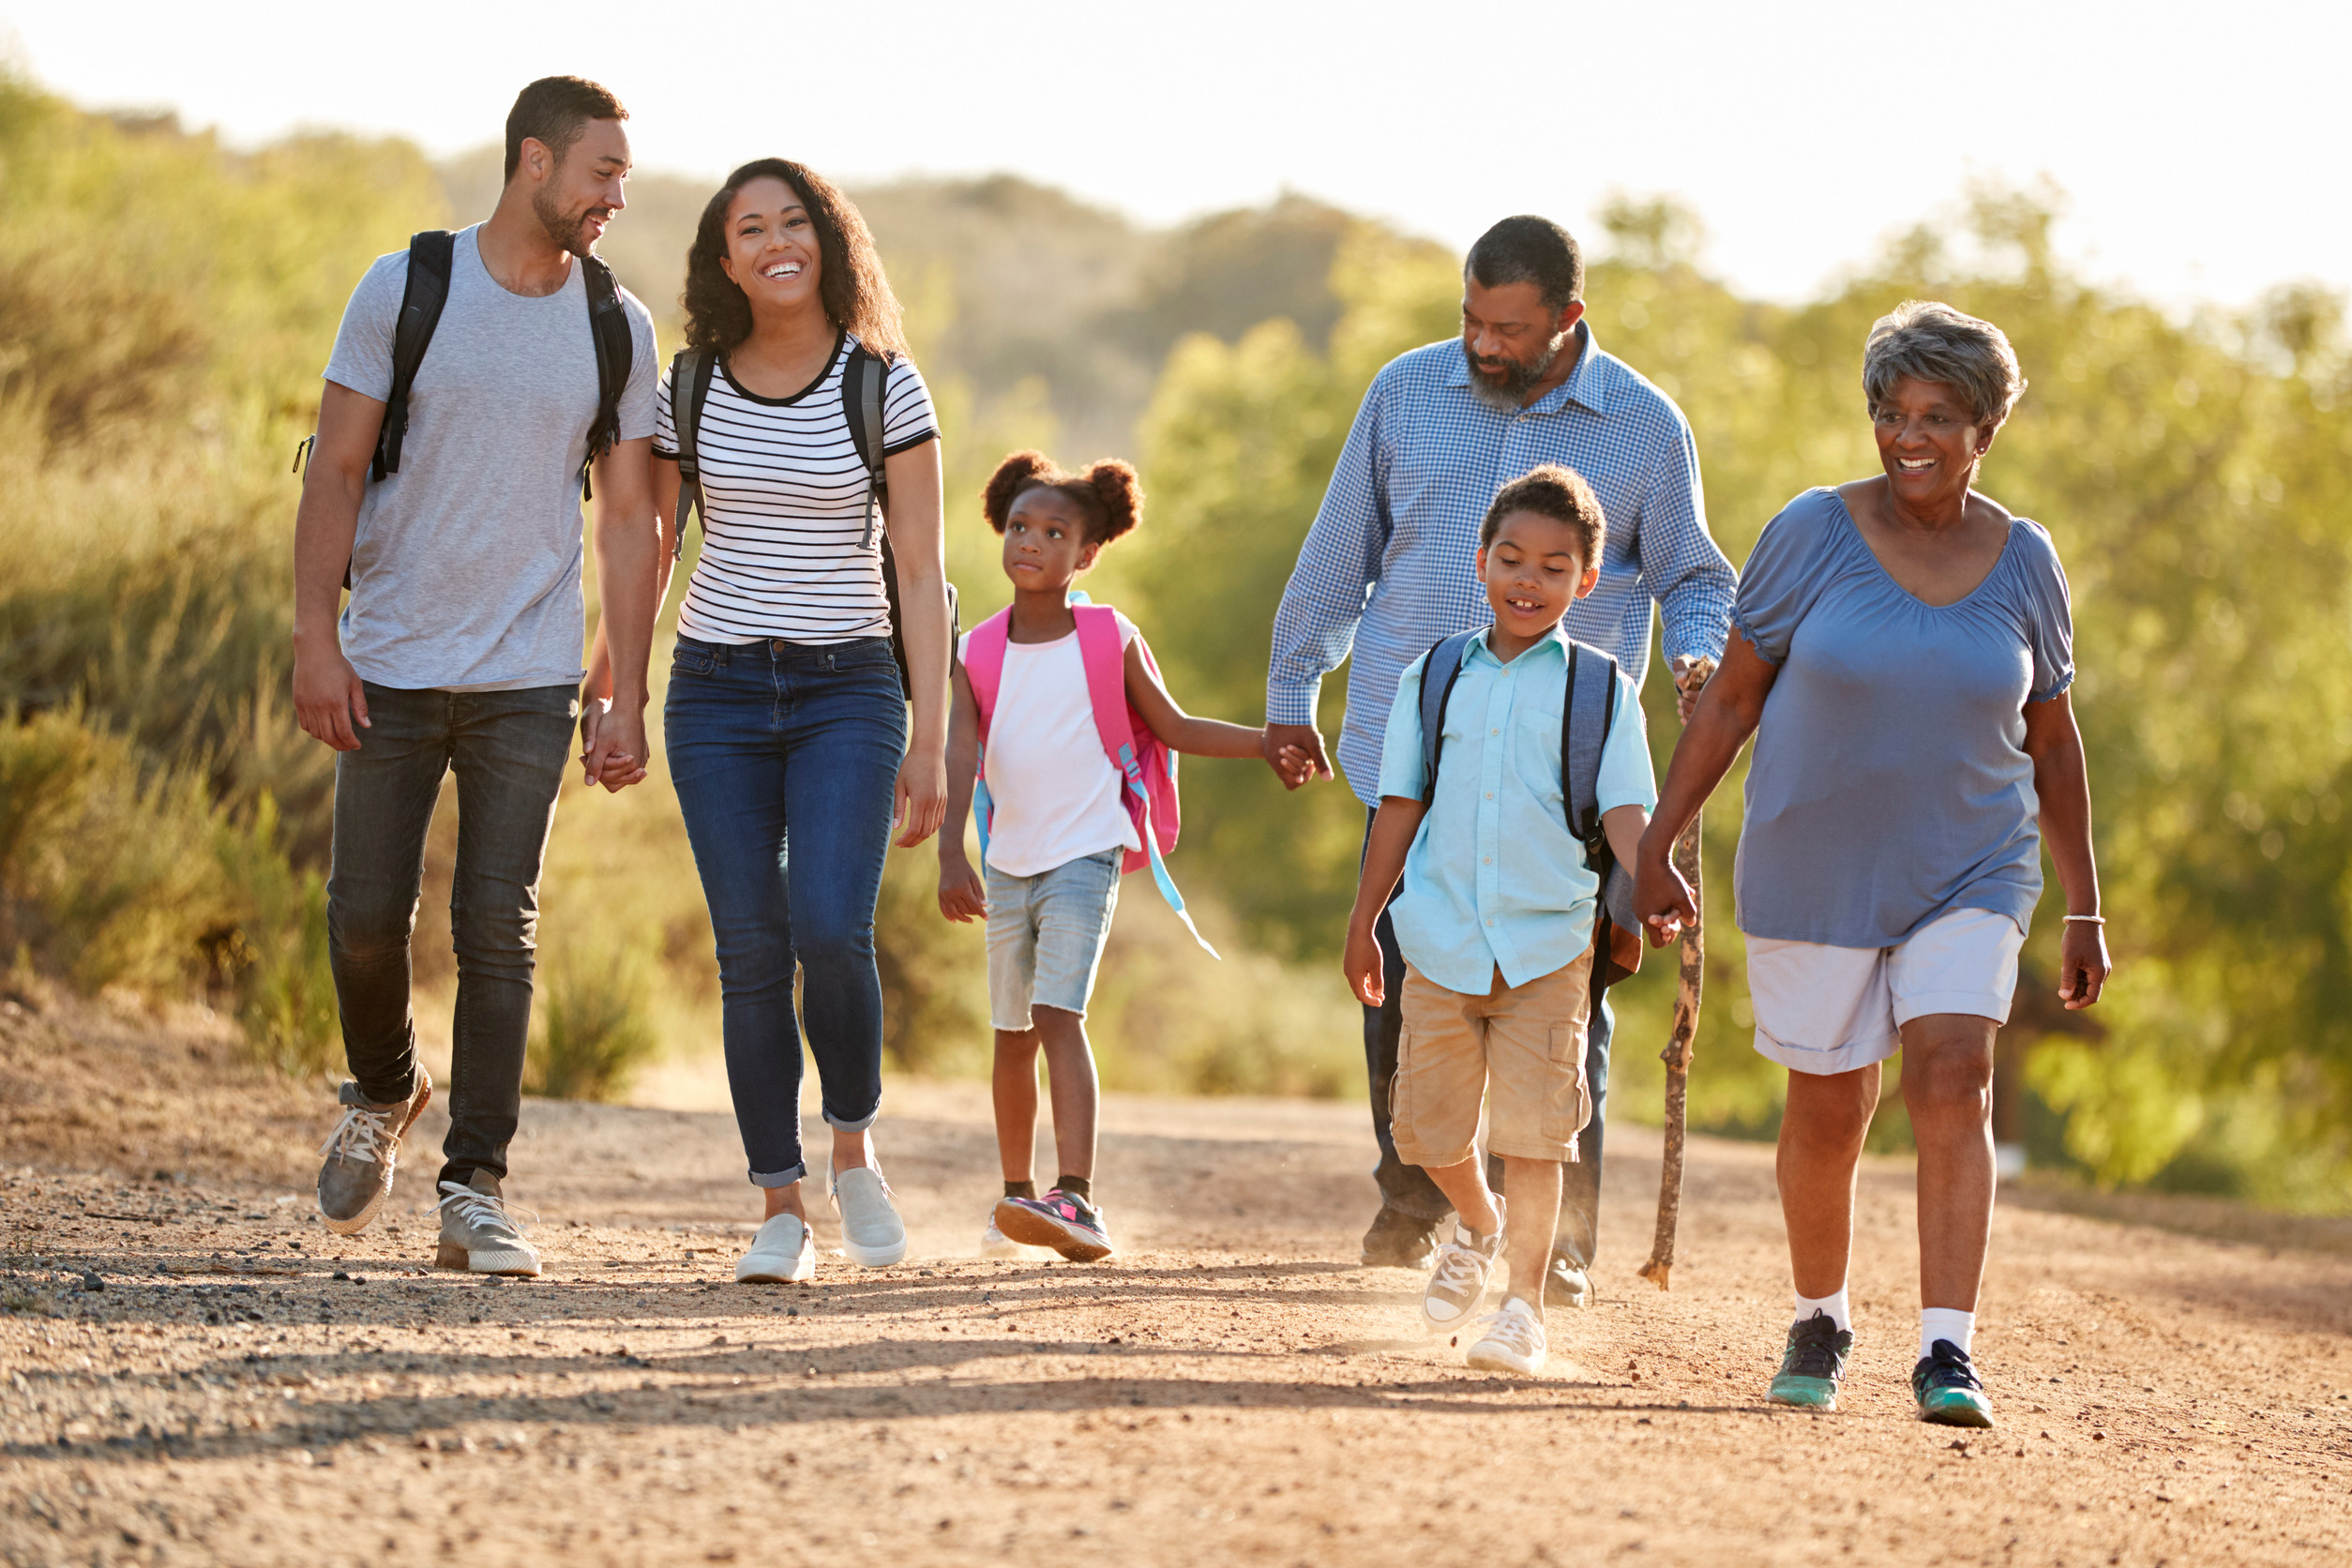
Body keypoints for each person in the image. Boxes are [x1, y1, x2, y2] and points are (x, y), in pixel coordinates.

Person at [1634, 300, 2110, 1427]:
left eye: (1937, 416)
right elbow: (1736, 698)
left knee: (1954, 1076)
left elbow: (2052, 736)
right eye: (1892, 413)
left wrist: (2083, 903)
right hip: (1817, 862)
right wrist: (1654, 843)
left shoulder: (2025, 560)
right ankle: (1821, 1316)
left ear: (1985, 428)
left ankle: (1949, 1349)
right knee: (1832, 1106)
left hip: (1974, 866)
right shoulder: (1811, 531)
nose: (1909, 436)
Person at [1267, 215, 1735, 1298]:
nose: (1480, 343)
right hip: (1413, 733)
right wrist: (1296, 686)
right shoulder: (1406, 393)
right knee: (1407, 977)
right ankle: (1419, 1205)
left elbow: (1698, 577)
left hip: (1566, 772)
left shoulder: (1646, 428)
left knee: (1570, 1000)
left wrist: (1701, 654)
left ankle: (1556, 1241)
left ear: (1570, 319)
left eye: (1507, 328)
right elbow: (1340, 552)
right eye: (1470, 318)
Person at [294, 77, 660, 1276]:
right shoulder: (408, 286)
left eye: (622, 174)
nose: (617, 194)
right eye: (602, 171)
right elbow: (337, 470)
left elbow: (628, 521)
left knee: (497, 927)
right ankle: (385, 1087)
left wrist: (622, 683)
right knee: (362, 917)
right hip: (392, 654)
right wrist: (315, 635)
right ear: (533, 162)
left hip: (529, 669)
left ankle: (474, 1186)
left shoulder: (618, 324)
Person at [612, 158, 952, 1287]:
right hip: (714, 688)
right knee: (750, 949)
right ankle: (780, 1206)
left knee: (828, 930)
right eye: (748, 228)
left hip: (849, 687)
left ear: (829, 239)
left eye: (793, 221)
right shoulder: (690, 386)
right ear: (724, 259)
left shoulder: (885, 386)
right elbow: (654, 552)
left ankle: (854, 1145)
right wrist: (617, 683)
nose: (774, 242)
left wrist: (931, 738)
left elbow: (918, 567)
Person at [1344, 466, 1662, 1376]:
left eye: (1556, 567)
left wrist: (1653, 884)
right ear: (1481, 562)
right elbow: (1399, 801)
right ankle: (1476, 1226)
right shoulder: (1434, 673)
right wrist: (1366, 919)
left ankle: (1523, 1307)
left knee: (1536, 1132)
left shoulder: (1603, 692)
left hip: (1549, 940)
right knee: (1426, 1133)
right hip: (1439, 933)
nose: (1530, 579)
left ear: (1586, 583)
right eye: (1513, 558)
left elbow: (1627, 813)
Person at [937, 451, 1285, 1262]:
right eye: (1020, 526)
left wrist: (1267, 742)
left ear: (1087, 553)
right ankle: (1016, 1200)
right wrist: (952, 852)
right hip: (1007, 859)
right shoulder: (978, 651)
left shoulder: (1107, 635)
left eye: (1055, 532)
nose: (1032, 542)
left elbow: (1176, 727)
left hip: (1087, 853)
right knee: (1010, 1030)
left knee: (1059, 1013)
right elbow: (960, 752)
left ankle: (1078, 1199)